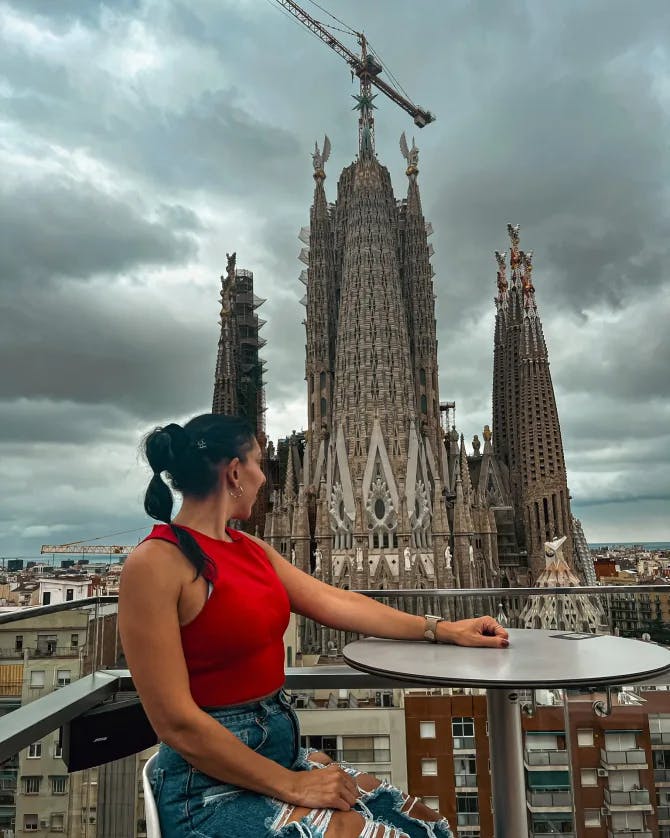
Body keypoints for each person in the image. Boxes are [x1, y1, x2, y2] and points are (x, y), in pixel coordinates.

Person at [119, 414, 509, 838]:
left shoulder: (250, 550)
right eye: (257, 464)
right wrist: (293, 784)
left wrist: (443, 629)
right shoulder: (154, 563)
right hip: (210, 790)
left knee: (423, 825)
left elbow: (335, 601)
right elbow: (175, 723)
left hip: (277, 757)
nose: (263, 478)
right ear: (234, 472)